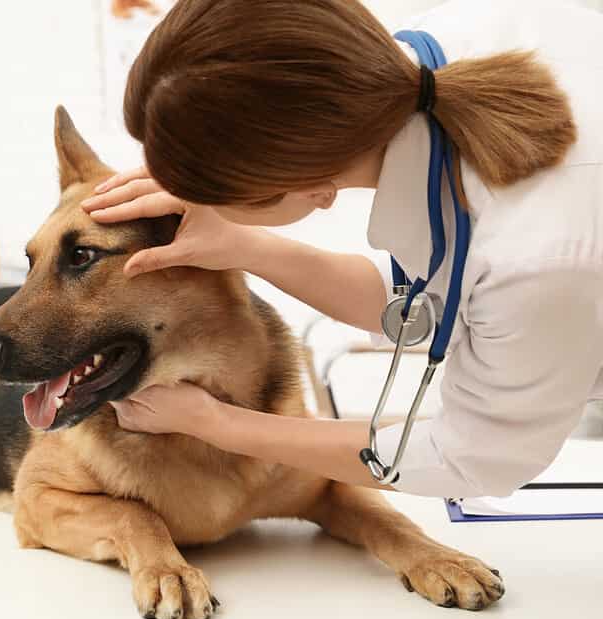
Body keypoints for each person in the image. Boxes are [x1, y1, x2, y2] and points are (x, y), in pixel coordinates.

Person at [83, 0, 603, 498]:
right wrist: (242, 243)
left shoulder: (539, 258)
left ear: (311, 187)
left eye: (211, 197)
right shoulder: (456, 38)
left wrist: (217, 424)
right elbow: (436, 290)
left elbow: (471, 456)